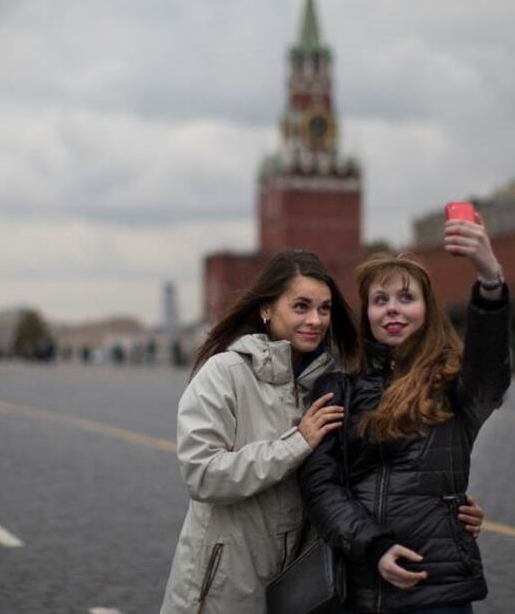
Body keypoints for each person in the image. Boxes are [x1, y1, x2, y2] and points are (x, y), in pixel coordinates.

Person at [160, 250, 487, 614]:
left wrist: (441, 506)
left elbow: (349, 479)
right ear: (267, 309)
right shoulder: (225, 374)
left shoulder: (331, 382)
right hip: (228, 580)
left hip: (304, 582)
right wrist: (296, 444)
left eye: (325, 309)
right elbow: (202, 475)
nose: (315, 320)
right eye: (301, 306)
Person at [300, 215, 510, 613]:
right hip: (359, 588)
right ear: (367, 315)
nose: (392, 310)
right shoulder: (338, 388)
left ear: (427, 310)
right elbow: (320, 485)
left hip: (436, 590)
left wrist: (490, 281)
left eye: (406, 298)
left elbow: (490, 369)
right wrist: (373, 546)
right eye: (380, 300)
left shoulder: (454, 386)